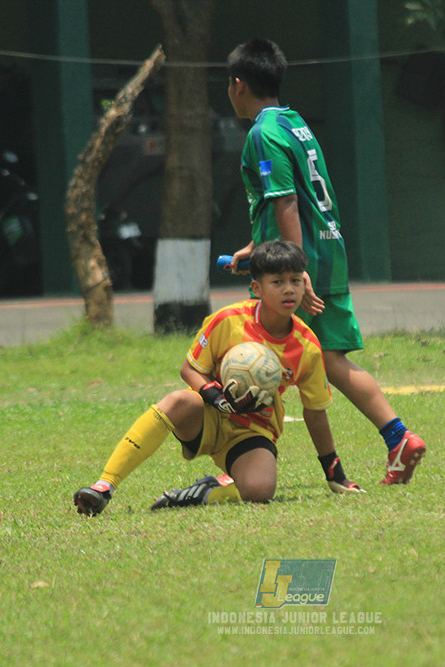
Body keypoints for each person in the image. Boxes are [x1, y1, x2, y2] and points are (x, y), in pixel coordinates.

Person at [225, 38, 426, 485]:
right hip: (327, 253)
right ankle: (399, 437)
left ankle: (245, 464)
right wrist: (255, 249)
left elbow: (287, 204)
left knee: (261, 360)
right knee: (331, 361)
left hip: (300, 267)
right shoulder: (295, 123)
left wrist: (294, 273)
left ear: (238, 84)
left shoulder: (262, 134)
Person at [73, 240, 361, 515]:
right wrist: (213, 394)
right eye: (278, 282)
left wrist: (334, 472)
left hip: (253, 430)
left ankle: (203, 494)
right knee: (176, 401)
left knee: (260, 491)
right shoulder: (228, 320)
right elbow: (189, 369)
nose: (289, 290)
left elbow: (315, 412)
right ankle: (104, 487)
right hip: (207, 413)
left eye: (295, 281)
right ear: (256, 288)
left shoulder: (307, 345)